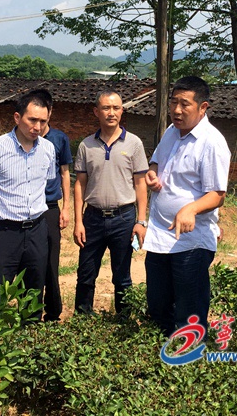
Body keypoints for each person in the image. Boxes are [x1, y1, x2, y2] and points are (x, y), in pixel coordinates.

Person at [143, 76, 230, 336]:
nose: (177, 110)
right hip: (160, 235)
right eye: (173, 103)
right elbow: (156, 161)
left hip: (192, 241)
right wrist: (152, 173)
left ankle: (190, 355)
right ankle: (159, 352)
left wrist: (190, 209)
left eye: (184, 104)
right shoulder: (171, 131)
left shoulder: (211, 142)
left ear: (203, 107)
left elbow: (217, 194)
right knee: (158, 305)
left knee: (188, 310)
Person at [0, 91, 56, 316]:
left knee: (33, 293)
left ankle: (29, 335)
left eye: (43, 121)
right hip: (3, 232)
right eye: (32, 120)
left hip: (37, 231)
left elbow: (45, 185)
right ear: (17, 118)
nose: (37, 127)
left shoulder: (48, 149)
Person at [73, 89, 148, 315]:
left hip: (123, 218)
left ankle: (123, 320)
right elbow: (80, 184)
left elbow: (140, 184)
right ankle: (82, 319)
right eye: (106, 108)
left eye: (116, 108)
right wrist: (78, 221)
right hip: (93, 218)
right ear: (96, 111)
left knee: (122, 275)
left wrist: (141, 221)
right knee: (86, 274)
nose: (111, 113)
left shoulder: (134, 143)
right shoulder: (86, 145)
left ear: (122, 111)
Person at [37, 89, 73, 322]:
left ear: (50, 112)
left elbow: (65, 172)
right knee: (30, 261)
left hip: (50, 207)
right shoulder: (22, 137)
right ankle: (30, 310)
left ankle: (53, 310)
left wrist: (66, 207)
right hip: (27, 208)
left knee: (51, 260)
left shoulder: (59, 138)